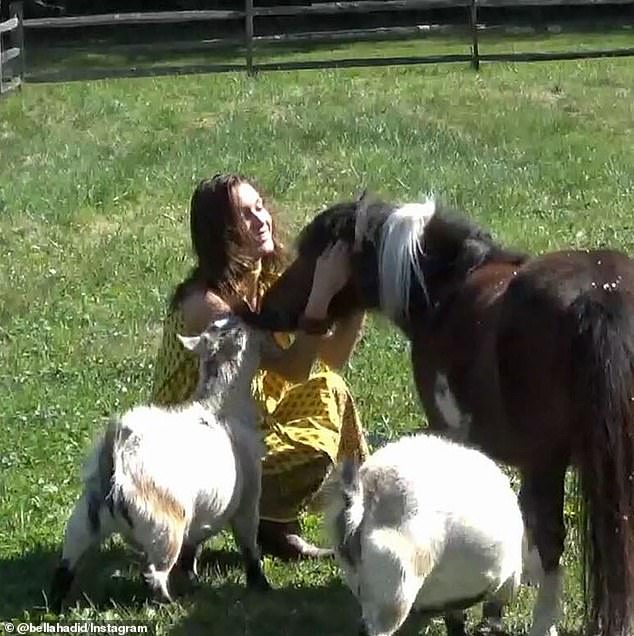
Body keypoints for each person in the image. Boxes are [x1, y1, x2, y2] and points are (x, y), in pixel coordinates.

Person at [150, 173, 369, 559]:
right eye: (244, 216)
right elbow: (293, 368)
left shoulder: (263, 279)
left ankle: (278, 524)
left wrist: (356, 296)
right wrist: (319, 298)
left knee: (331, 390)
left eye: (260, 207)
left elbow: (332, 359)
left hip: (245, 418)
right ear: (222, 234)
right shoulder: (210, 306)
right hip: (192, 449)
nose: (261, 219)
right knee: (310, 448)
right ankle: (198, 524)